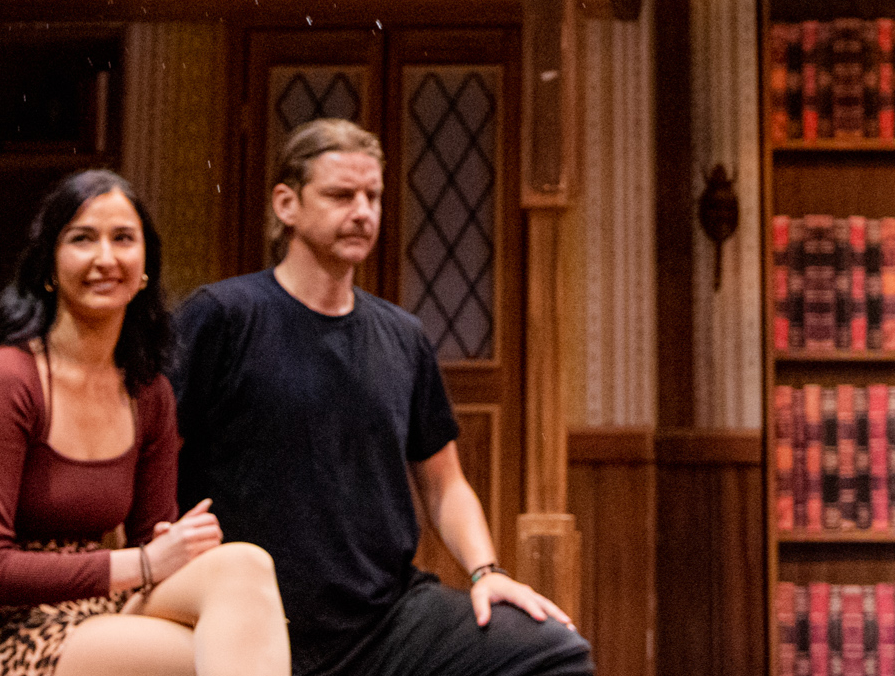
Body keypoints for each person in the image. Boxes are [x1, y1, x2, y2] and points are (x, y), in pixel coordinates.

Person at [171, 120, 591, 676]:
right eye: (341, 195)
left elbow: (445, 484)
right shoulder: (224, 315)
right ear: (286, 204)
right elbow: (154, 449)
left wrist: (486, 573)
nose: (363, 211)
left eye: (373, 196)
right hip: (258, 617)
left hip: (387, 616)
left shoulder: (402, 335)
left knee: (554, 652)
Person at [0, 169, 288, 676]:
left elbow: (152, 538)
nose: (106, 258)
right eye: (82, 239)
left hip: (100, 602)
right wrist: (145, 564)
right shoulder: (5, 380)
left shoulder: (149, 392)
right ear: (50, 266)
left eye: (123, 238)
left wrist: (173, 550)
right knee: (223, 651)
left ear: (145, 265)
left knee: (246, 566)